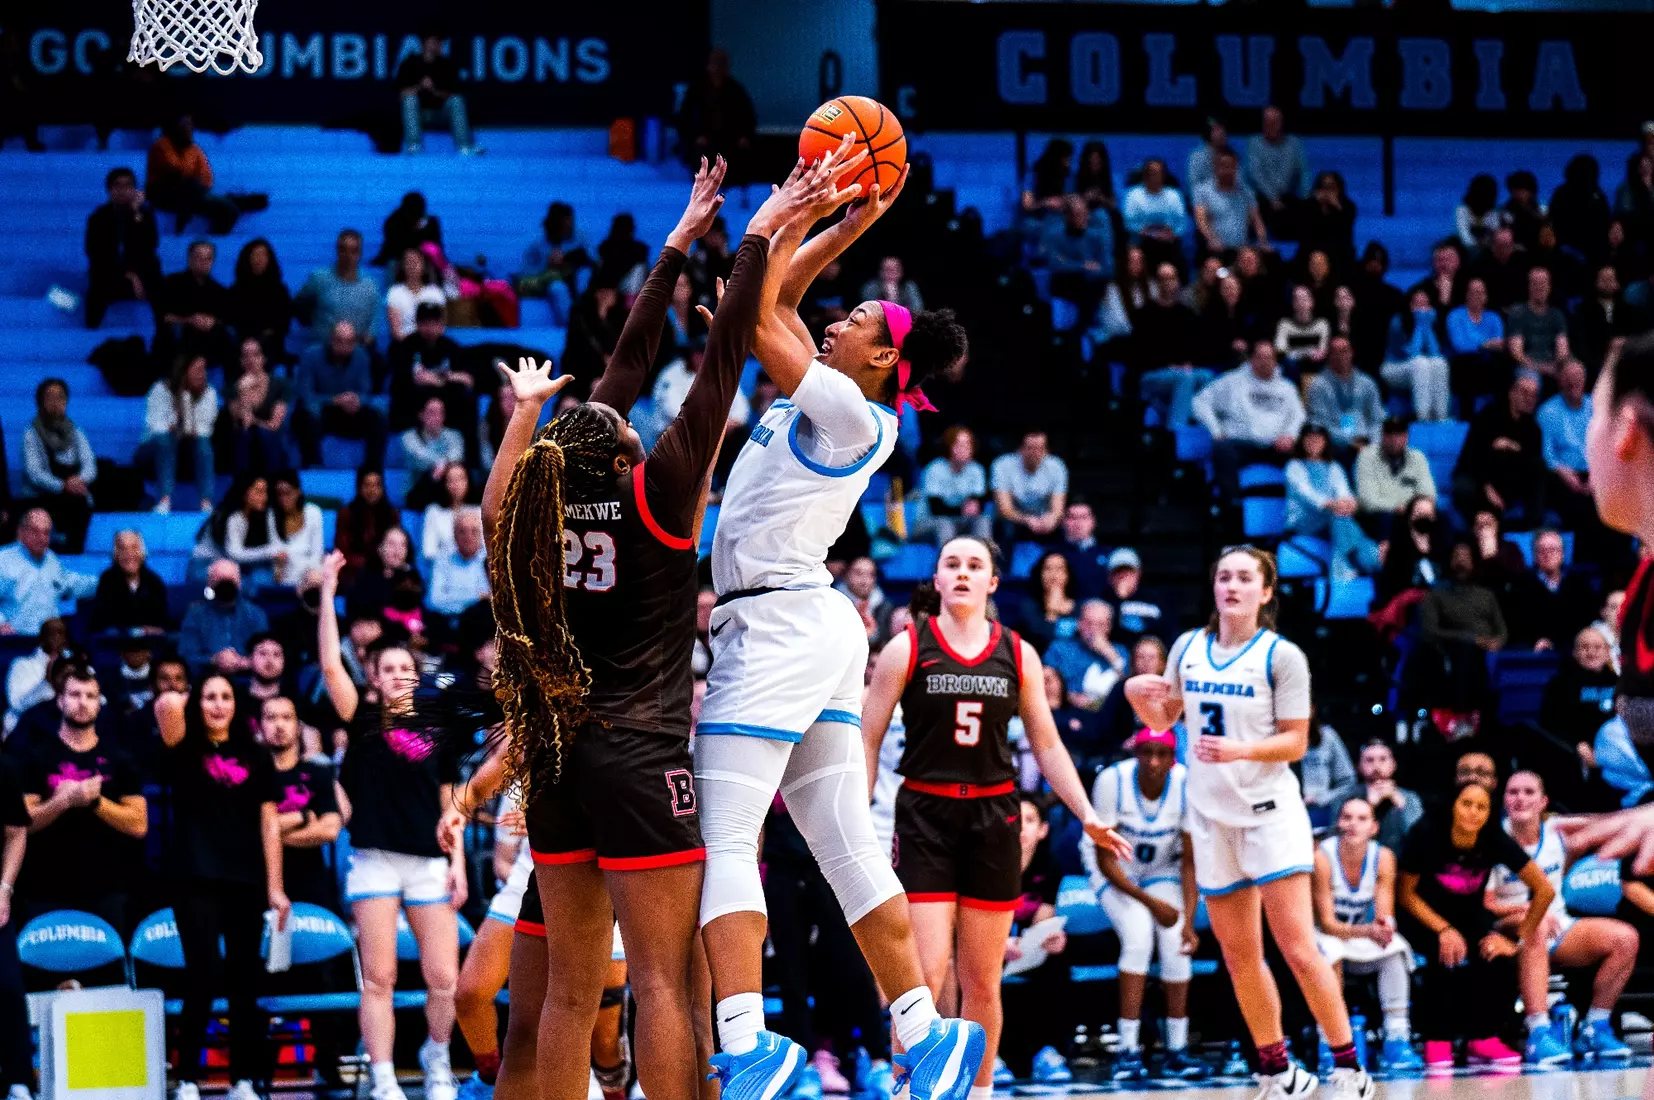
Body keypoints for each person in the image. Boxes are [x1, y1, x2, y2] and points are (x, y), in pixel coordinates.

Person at [445, 157, 792, 1100]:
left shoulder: (536, 516)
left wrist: (679, 243)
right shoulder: (661, 494)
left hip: (558, 762)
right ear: (628, 446)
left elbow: (624, 372)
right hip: (641, 758)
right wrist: (756, 235)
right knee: (661, 985)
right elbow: (718, 363)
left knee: (562, 991)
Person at [692, 143, 988, 1100]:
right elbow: (774, 303)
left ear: (885, 358)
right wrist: (854, 220)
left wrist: (776, 220)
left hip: (778, 630)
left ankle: (746, 1042)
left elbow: (760, 309)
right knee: (842, 839)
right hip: (809, 625)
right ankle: (926, 1030)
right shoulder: (828, 397)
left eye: (856, 318)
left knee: (726, 836)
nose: (835, 317)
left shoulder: (860, 419)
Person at [861, 537, 1129, 1097]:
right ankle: (909, 1088)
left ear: (993, 583)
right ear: (935, 580)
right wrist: (858, 817)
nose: (962, 573)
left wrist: (1086, 814)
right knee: (924, 977)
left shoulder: (1019, 652)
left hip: (994, 817)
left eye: (974, 565)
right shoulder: (905, 648)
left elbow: (1049, 746)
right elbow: (867, 740)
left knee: (983, 980)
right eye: (951, 565)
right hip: (925, 816)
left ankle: (979, 1092)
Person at [1125, 547, 1373, 1100]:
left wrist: (1239, 750)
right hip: (1212, 819)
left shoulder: (1282, 657)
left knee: (1298, 948)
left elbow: (1296, 740)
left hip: (1271, 816)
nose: (1231, 586)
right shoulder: (1188, 647)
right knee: (1240, 957)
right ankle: (1278, 1070)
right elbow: (1167, 718)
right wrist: (1138, 698)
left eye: (1244, 578)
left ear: (1265, 593)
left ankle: (1349, 1068)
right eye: (1223, 577)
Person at [319, 554, 465, 1100]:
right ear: (374, 679)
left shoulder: (438, 728)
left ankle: (437, 1061)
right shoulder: (359, 716)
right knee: (378, 978)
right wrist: (331, 588)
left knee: (444, 980)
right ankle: (382, 1079)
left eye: (408, 669)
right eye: (389, 670)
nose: (400, 676)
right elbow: (332, 665)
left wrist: (456, 865)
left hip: (429, 862)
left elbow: (451, 800)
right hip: (375, 860)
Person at [1484, 771, 1638, 1063]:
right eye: (1513, 792)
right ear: (1504, 800)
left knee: (1625, 938)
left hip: (1558, 925)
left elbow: (1605, 824)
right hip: (1507, 925)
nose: (1520, 798)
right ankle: (1538, 1032)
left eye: (1529, 792)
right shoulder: (1493, 837)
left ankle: (1595, 1025)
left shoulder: (1557, 831)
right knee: (1537, 926)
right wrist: (1529, 911)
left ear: (1544, 801)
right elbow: (1486, 904)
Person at [1398, 781, 1552, 1068]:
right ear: (1453, 805)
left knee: (1494, 954)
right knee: (1443, 955)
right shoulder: (1426, 832)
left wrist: (1515, 940)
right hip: (1423, 917)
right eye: (1466, 804)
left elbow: (1544, 890)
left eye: (1481, 807)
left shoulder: (1493, 837)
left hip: (1470, 916)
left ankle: (1482, 1039)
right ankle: (1437, 1040)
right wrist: (1443, 929)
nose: (1473, 812)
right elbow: (1405, 895)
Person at [1079, 730, 1203, 1080]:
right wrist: (1152, 904)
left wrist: (1189, 923)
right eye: (1145, 753)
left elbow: (1190, 862)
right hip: (1115, 869)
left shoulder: (1186, 784)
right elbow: (1106, 860)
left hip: (1162, 867)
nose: (1152, 762)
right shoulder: (1111, 781)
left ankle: (1178, 1050)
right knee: (1138, 937)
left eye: (1161, 754)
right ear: (1135, 753)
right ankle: (1127, 1052)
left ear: (1172, 758)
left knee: (1177, 942)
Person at [17, 665, 147, 933]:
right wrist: (62, 801)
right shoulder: (36, 757)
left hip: (107, 888)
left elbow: (138, 825)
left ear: (99, 705)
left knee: (107, 973)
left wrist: (96, 802)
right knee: (47, 972)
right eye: (75, 695)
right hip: (45, 887)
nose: (82, 703)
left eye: (90, 696)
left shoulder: (120, 759)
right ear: (60, 701)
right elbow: (22, 824)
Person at [1309, 798, 1422, 1070]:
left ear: (1374, 827)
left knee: (1395, 949)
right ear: (1338, 823)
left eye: (1361, 819)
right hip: (1327, 935)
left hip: (1359, 934)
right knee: (1330, 952)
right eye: (1347, 817)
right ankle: (1331, 1043)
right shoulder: (1321, 857)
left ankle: (1397, 1040)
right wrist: (1368, 931)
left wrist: (1384, 928)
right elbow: (1326, 924)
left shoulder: (1383, 857)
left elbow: (1384, 913)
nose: (1353, 824)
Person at [1191, 341, 1306, 504]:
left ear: (1275, 361)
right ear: (1251, 359)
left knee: (1307, 451)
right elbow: (1200, 402)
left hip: (1275, 446)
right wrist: (1215, 430)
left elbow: (1298, 416)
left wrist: (1290, 436)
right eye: (1260, 357)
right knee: (1222, 449)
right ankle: (1232, 506)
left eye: (1269, 357)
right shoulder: (1232, 381)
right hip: (1241, 444)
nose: (1265, 362)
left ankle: (1299, 508)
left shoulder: (1287, 388)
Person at [1415, 542, 1507, 713]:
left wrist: (1497, 641)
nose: (1461, 562)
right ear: (1449, 561)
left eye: (1466, 557)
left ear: (1473, 562)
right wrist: (1470, 639)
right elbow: (1429, 632)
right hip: (1454, 651)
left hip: (1488, 652)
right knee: (1466, 651)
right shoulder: (1436, 595)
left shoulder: (1486, 595)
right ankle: (1462, 715)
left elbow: (1501, 630)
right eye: (1457, 556)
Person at [1284, 425, 1378, 583]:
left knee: (1342, 518)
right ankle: (1364, 561)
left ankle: (1345, 567)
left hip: (1332, 519)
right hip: (1303, 522)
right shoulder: (1294, 466)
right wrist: (1333, 505)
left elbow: (1343, 491)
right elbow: (1307, 494)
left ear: (1325, 442)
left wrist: (1349, 503)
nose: (1314, 442)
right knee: (1341, 518)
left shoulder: (1334, 467)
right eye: (1309, 439)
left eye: (1318, 439)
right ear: (1302, 442)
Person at [1453, 371, 1545, 529]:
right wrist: (1486, 487)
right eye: (1524, 392)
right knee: (1464, 487)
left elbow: (1531, 460)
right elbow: (1472, 457)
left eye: (1534, 395)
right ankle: (1481, 529)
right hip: (1480, 478)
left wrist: (1511, 447)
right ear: (1511, 392)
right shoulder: (1487, 417)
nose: (1530, 399)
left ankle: (1533, 527)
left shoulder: (1533, 428)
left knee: (1539, 467)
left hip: (1509, 481)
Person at [295, 320, 387, 468]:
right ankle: (314, 468)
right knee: (306, 416)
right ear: (331, 339)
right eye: (340, 341)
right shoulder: (311, 355)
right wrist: (334, 400)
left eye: (350, 342)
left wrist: (357, 400)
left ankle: (372, 469)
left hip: (350, 412)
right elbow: (305, 395)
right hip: (322, 413)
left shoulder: (361, 356)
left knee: (378, 418)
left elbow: (366, 391)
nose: (345, 346)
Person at [22, 379, 96, 553]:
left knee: (81, 502)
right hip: (43, 494)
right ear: (41, 402)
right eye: (50, 398)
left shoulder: (76, 431)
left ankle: (74, 550)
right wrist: (63, 485)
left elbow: (90, 466)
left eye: (60, 398)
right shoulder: (31, 433)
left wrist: (78, 481)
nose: (56, 403)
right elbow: (34, 473)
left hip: (73, 492)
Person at [140, 355, 219, 514]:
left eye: (204, 369)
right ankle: (164, 500)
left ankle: (206, 502)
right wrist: (176, 418)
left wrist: (187, 407)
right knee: (166, 440)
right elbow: (154, 426)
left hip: (186, 449)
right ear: (183, 371)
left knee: (203, 444)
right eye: (197, 369)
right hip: (154, 448)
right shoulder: (160, 389)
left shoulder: (209, 392)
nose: (202, 374)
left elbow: (206, 429)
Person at [84, 166, 161, 328]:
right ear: (109, 189)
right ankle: (89, 333)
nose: (122, 190)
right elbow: (95, 253)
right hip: (110, 274)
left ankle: (163, 338)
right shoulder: (98, 218)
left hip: (142, 273)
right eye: (117, 185)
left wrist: (136, 214)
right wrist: (129, 276)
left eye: (128, 186)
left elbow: (149, 247)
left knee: (164, 290)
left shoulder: (144, 215)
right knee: (98, 291)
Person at [0, 510, 97, 635]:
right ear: (21, 532)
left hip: (49, 642)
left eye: (46, 533)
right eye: (35, 531)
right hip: (13, 641)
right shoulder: (3, 560)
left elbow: (71, 584)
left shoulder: (52, 560)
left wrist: (107, 582)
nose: (42, 538)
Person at [1507, 528, 1599, 652]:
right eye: (1542, 550)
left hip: (1574, 649)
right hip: (1536, 650)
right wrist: (1536, 640)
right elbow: (1517, 623)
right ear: (1535, 556)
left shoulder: (1579, 584)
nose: (1548, 554)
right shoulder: (1521, 586)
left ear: (1562, 554)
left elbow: (1588, 619)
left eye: (1553, 549)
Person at [178, 560, 269, 677]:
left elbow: (266, 652)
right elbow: (186, 655)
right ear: (209, 583)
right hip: (206, 678)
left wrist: (244, 662)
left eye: (230, 581)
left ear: (239, 583)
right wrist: (213, 660)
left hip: (248, 679)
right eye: (220, 581)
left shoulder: (256, 614)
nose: (226, 587)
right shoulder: (196, 615)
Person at [1541, 627, 1620, 761]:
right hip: (1574, 752)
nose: (1591, 652)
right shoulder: (1559, 684)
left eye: (1597, 647)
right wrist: (1575, 744)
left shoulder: (1620, 684)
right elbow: (1550, 722)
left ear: (1608, 652)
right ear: (1575, 652)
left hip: (1616, 752)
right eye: (1584, 647)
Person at [215, 339, 291, 477]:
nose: (250, 360)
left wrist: (255, 422)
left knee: (264, 434)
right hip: (244, 441)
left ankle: (272, 480)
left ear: (264, 358)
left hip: (271, 440)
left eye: (255, 355)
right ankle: (244, 484)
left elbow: (274, 424)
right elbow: (243, 423)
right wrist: (243, 391)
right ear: (240, 361)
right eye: (245, 356)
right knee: (244, 435)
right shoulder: (232, 387)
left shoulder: (280, 385)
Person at [294, 230, 382, 348]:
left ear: (360, 254)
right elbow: (299, 304)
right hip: (323, 348)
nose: (348, 256)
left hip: (357, 351)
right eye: (343, 250)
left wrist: (363, 341)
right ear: (337, 251)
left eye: (353, 251)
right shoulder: (319, 279)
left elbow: (374, 323)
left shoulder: (370, 285)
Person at [397, 30, 480, 156]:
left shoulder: (448, 65)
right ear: (423, 43)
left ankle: (465, 147)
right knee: (409, 100)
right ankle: (413, 146)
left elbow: (454, 94)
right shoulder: (410, 63)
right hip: (418, 116)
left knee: (457, 101)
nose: (436, 45)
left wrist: (433, 90)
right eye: (432, 41)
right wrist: (420, 87)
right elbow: (402, 94)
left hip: (442, 115)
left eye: (439, 42)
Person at [1538, 360, 1598, 533]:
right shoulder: (1547, 411)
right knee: (1573, 504)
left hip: (1593, 471)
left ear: (1585, 380)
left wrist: (1596, 474)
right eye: (1568, 378)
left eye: (1578, 377)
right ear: (1560, 381)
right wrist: (1562, 471)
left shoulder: (1595, 407)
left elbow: (1604, 449)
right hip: (1561, 474)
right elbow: (1547, 453)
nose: (1574, 382)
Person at [675, 48, 754, 177]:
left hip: (730, 138)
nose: (718, 67)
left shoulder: (736, 90)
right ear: (708, 65)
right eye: (715, 63)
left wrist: (744, 136)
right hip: (703, 139)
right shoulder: (697, 89)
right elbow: (685, 117)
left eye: (722, 64)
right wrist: (695, 136)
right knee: (700, 153)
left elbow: (748, 116)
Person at [157, 240, 235, 370]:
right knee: (178, 333)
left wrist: (213, 321)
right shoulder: (172, 283)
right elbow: (163, 316)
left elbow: (226, 319)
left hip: (210, 339)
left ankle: (231, 386)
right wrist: (189, 320)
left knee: (228, 335)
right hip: (182, 336)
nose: (203, 262)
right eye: (198, 257)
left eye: (208, 258)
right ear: (189, 259)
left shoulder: (220, 291)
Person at [1335, 741, 1423, 854]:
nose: (1376, 766)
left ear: (1393, 764)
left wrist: (1401, 806)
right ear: (1359, 766)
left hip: (1402, 866)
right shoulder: (1344, 797)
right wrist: (1368, 805)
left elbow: (1421, 842)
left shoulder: (1410, 798)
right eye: (1369, 760)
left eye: (1383, 759)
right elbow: (1334, 838)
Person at [1354, 421, 1436, 539]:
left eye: (1398, 434)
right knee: (1387, 518)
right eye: (1389, 434)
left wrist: (1411, 509)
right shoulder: (1367, 456)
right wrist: (1396, 507)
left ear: (1406, 437)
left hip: (1410, 513)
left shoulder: (1418, 457)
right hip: (1378, 515)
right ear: (1382, 436)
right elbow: (1367, 500)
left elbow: (1428, 493)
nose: (1394, 439)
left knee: (1441, 519)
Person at [1305, 338, 1384, 458]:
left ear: (1351, 353)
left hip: (1367, 443)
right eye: (1335, 352)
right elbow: (1319, 423)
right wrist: (1349, 442)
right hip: (1335, 446)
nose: (1340, 356)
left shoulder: (1367, 383)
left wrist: (1373, 443)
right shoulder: (1318, 385)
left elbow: (1377, 418)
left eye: (1344, 351)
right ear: (1329, 356)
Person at [1043, 600, 1128, 711]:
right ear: (1079, 624)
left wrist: (1109, 653)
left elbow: (1128, 685)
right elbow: (1045, 683)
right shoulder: (1059, 649)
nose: (1093, 630)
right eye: (1088, 623)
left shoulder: (1120, 652)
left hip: (1107, 715)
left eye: (1100, 625)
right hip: (1067, 711)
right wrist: (1070, 697)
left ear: (1108, 627)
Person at [1038, 197, 1113, 322]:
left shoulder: (1097, 237)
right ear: (1067, 216)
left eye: (1085, 214)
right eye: (1078, 214)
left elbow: (1108, 268)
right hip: (1065, 289)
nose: (1084, 218)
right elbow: (1055, 265)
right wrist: (1083, 266)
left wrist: (1068, 263)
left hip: (1091, 291)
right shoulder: (1055, 236)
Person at [1382, 289, 1451, 422]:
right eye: (1417, 303)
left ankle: (1441, 416)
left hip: (1421, 368)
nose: (1422, 308)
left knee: (1439, 362)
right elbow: (1412, 353)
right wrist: (1420, 324)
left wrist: (1427, 326)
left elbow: (1434, 352)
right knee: (1420, 363)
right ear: (1410, 305)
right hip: (1393, 367)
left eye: (1425, 304)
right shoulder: (1398, 321)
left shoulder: (1432, 321)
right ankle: (1422, 417)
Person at [991, 432, 1067, 545]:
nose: (1035, 453)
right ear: (1020, 450)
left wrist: (1052, 518)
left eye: (1040, 449)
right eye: (1031, 448)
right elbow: (1004, 509)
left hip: (1043, 517)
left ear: (1047, 451)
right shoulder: (1002, 464)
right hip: (1014, 518)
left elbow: (1058, 509)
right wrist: (1027, 520)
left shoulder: (1057, 465)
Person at [1244, 106, 1309, 238]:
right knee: (1251, 207)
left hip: (1287, 196)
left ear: (1282, 123)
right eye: (1267, 122)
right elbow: (1255, 175)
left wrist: (1307, 199)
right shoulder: (1254, 143)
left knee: (1304, 210)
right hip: (1261, 196)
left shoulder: (1294, 144)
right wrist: (1272, 198)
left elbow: (1304, 173)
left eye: (1275, 122)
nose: (1271, 125)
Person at [89, 530, 169, 634]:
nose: (129, 554)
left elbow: (160, 623)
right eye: (122, 548)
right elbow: (104, 622)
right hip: (116, 644)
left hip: (149, 644)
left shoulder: (154, 581)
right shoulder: (107, 580)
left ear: (142, 552)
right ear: (115, 554)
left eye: (134, 547)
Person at [921, 427, 990, 546]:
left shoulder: (976, 469)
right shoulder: (934, 469)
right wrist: (962, 510)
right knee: (944, 523)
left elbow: (977, 502)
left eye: (968, 445)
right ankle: (948, 562)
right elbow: (936, 508)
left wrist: (975, 506)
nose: (964, 449)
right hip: (928, 522)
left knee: (983, 520)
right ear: (948, 447)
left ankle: (985, 559)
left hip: (961, 520)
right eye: (959, 445)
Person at [1445, 278, 1508, 408]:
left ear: (1486, 296)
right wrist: (1484, 345)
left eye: (1480, 292)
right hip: (1463, 364)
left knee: (1502, 363)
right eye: (1473, 292)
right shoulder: (1455, 315)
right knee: (1467, 363)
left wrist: (1481, 345)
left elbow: (1499, 344)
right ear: (1467, 295)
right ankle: (1467, 416)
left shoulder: (1494, 317)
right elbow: (1459, 346)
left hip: (1488, 364)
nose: (1477, 296)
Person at [1194, 148, 1267, 259]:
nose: (1227, 170)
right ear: (1215, 167)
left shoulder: (1246, 192)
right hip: (1215, 249)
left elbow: (1257, 220)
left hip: (1241, 250)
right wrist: (1211, 239)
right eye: (1223, 166)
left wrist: (1262, 241)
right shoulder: (1202, 191)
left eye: (1231, 166)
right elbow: (1201, 221)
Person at [229, 239, 293, 360]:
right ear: (247, 258)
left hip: (270, 341)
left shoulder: (279, 290)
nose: (259, 259)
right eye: (255, 255)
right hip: (242, 341)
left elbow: (283, 322)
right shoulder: (235, 290)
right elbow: (232, 319)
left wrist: (264, 335)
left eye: (263, 255)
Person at [333, 470, 400, 584]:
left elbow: (396, 547)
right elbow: (342, 552)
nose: (372, 490)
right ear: (359, 488)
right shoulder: (346, 514)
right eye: (367, 485)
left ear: (382, 488)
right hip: (354, 572)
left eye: (376, 485)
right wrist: (368, 564)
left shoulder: (392, 514)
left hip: (384, 570)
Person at [1121, 159, 1188, 273]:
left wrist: (1173, 233)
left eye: (1159, 173)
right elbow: (1128, 223)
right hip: (1143, 241)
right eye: (1152, 173)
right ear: (1145, 175)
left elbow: (1182, 223)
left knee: (1178, 255)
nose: (1155, 177)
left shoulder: (1174, 195)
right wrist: (1148, 233)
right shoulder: (1133, 195)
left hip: (1168, 243)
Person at [1507, 267, 1572, 380]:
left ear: (1549, 287)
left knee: (1576, 372)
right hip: (1527, 366)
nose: (1539, 287)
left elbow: (1563, 349)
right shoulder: (1517, 313)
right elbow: (1517, 353)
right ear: (1529, 286)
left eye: (1543, 283)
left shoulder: (1557, 315)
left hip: (1554, 364)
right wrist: (1542, 368)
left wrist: (1556, 366)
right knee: (1530, 382)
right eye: (1535, 283)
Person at [6, 618, 67, 734]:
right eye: (51, 633)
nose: (56, 638)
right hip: (27, 728)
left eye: (60, 633)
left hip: (65, 727)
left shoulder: (75, 665)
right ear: (41, 638)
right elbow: (17, 704)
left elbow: (100, 699)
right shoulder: (21, 665)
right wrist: (46, 682)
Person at [269, 473, 326, 588]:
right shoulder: (271, 516)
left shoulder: (313, 512)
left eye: (287, 493)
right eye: (279, 494)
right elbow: (277, 552)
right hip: (284, 573)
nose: (283, 499)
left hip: (309, 573)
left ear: (298, 491)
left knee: (316, 576)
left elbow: (317, 553)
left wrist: (304, 573)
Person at [1014, 552, 1077, 655]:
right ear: (1040, 574)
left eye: (1059, 569)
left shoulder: (1080, 608)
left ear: (1068, 574)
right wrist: (1051, 613)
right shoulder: (1028, 607)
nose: (1053, 574)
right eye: (1048, 569)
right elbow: (1038, 643)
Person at [428, 509, 487, 617]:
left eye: (474, 531)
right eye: (462, 531)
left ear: (481, 535)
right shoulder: (442, 561)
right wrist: (476, 597)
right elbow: (434, 601)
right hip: (448, 624)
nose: (468, 537)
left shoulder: (489, 561)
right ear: (454, 535)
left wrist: (454, 599)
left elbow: (491, 599)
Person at [386, 247, 448, 341]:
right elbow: (396, 331)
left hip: (432, 342)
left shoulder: (436, 292)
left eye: (416, 262)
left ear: (423, 265)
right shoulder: (394, 292)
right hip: (404, 343)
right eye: (409, 262)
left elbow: (441, 326)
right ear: (403, 266)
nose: (412, 266)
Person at [420, 468, 475, 564]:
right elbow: (428, 552)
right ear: (444, 484)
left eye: (460, 478)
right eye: (451, 480)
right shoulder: (433, 512)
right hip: (443, 568)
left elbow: (484, 551)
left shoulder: (478, 511)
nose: (456, 484)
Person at [1275, 286, 1330, 378]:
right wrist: (1307, 354)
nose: (1301, 303)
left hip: (1315, 364)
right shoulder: (1284, 324)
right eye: (1297, 299)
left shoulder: (1322, 324)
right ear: (1293, 304)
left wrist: (1299, 353)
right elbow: (1281, 349)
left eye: (1304, 299)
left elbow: (1322, 350)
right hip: (1292, 366)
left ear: (1311, 302)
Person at [1456, 174, 1507, 254]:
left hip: (1487, 250)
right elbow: (1465, 237)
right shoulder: (1462, 210)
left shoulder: (1493, 211)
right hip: (1466, 251)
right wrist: (1479, 244)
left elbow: (1495, 231)